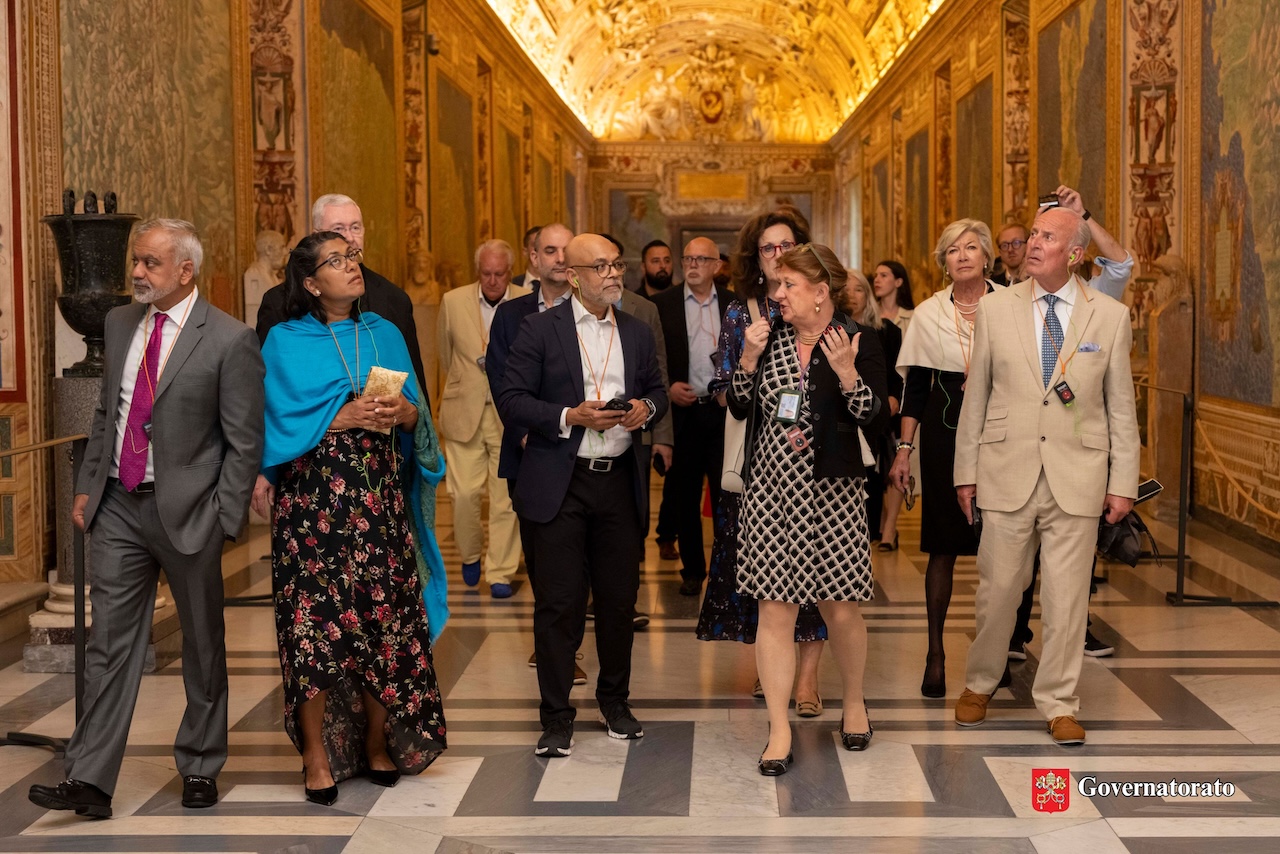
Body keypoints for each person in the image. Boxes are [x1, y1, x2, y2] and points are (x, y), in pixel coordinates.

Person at [29, 219, 265, 818]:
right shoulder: (119, 323)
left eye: (150, 263)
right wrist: (89, 487)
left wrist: (223, 517)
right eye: (136, 261)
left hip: (190, 513)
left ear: (185, 270)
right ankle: (90, 778)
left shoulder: (230, 339)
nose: (136, 272)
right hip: (118, 505)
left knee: (203, 644)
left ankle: (201, 763)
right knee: (108, 644)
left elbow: (244, 442)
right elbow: (107, 412)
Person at [250, 231, 448, 805]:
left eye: (353, 256)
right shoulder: (285, 341)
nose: (351, 267)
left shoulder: (384, 332)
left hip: (378, 504)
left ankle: (376, 741)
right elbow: (272, 420)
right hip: (312, 509)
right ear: (312, 283)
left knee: (382, 623)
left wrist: (406, 413)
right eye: (336, 261)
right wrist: (340, 418)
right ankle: (315, 755)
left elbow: (417, 418)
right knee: (312, 629)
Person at [953, 205, 1139, 746]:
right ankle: (980, 682)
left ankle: (1059, 702)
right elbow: (977, 396)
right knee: (998, 591)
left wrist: (1123, 482)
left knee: (1067, 599)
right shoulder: (996, 308)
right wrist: (966, 471)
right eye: (1032, 234)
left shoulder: (1109, 317)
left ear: (1075, 254)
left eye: (1047, 237)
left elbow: (1121, 408)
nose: (1033, 243)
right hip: (1006, 469)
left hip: (1078, 475)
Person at [496, 233, 668, 757]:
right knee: (559, 604)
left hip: (618, 481)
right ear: (573, 277)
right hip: (560, 483)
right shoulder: (539, 329)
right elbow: (511, 399)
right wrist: (569, 415)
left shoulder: (636, 330)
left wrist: (645, 409)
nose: (613, 274)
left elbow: (658, 390)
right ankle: (556, 717)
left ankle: (615, 703)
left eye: (616, 265)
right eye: (600, 267)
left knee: (618, 602)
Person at [731, 243, 889, 775]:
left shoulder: (859, 340)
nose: (777, 294)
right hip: (770, 493)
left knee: (840, 608)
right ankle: (778, 729)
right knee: (774, 612)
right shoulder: (768, 338)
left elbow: (875, 419)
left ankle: (854, 701)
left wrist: (847, 374)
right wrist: (746, 360)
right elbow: (738, 405)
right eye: (777, 284)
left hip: (833, 493)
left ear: (820, 292)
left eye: (788, 285)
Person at [696, 209, 828, 716]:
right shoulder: (741, 313)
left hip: (816, 460)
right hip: (759, 464)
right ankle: (774, 669)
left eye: (786, 246)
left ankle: (808, 680)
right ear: (756, 256)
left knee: (815, 567)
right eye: (768, 248)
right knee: (765, 572)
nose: (777, 255)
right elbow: (726, 394)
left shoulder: (822, 304)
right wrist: (749, 359)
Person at [889, 219, 999, 699]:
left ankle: (1002, 646)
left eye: (971, 247)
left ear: (987, 257)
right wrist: (904, 450)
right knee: (942, 545)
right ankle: (936, 653)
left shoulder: (1011, 304)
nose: (963, 256)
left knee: (1007, 545)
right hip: (944, 431)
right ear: (944, 262)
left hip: (1002, 432)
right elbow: (915, 390)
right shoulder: (929, 313)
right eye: (953, 250)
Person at [256, 194, 427, 402]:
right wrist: (337, 416)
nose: (349, 237)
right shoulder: (278, 303)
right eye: (338, 229)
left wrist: (409, 412)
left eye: (355, 227)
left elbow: (416, 392)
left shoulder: (394, 300)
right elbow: (270, 392)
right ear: (317, 236)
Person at [437, 239, 530, 597]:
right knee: (463, 493)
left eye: (499, 274)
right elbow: (445, 355)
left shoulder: (526, 300)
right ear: (478, 271)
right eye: (486, 273)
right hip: (465, 409)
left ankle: (501, 572)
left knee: (505, 497)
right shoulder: (452, 301)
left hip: (510, 413)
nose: (492, 281)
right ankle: (470, 553)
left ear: (511, 271)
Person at [653, 237, 735, 597]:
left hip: (722, 414)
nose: (693, 265)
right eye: (688, 259)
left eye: (701, 259)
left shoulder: (734, 305)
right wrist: (668, 387)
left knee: (725, 495)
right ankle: (692, 571)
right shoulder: (663, 304)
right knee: (684, 497)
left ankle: (725, 572)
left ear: (717, 266)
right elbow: (652, 358)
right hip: (683, 414)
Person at [848, 269, 903, 547]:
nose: (851, 294)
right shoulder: (832, 331)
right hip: (848, 417)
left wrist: (894, 397)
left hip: (881, 411)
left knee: (882, 472)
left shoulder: (887, 331)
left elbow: (898, 373)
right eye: (846, 289)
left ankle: (884, 529)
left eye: (858, 289)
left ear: (867, 295)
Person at [871, 259, 915, 551]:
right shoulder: (870, 315)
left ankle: (889, 528)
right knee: (879, 464)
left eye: (884, 275)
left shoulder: (913, 317)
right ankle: (882, 522)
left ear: (898, 281)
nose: (877, 279)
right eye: (875, 275)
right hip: (880, 395)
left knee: (898, 459)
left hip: (906, 394)